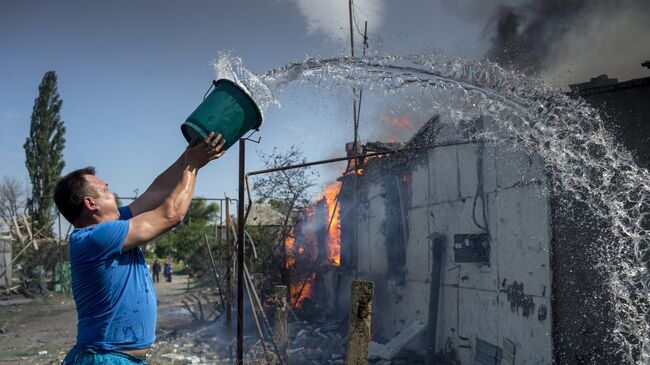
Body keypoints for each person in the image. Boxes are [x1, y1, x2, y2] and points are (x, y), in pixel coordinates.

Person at [54, 132, 225, 365]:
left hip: (115, 358)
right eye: (103, 188)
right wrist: (193, 167)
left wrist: (188, 156)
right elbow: (171, 214)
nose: (108, 186)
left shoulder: (112, 228)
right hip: (105, 360)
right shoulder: (96, 238)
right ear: (90, 203)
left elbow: (155, 192)